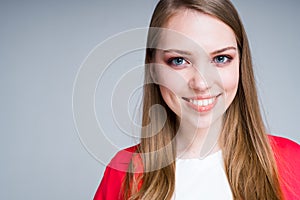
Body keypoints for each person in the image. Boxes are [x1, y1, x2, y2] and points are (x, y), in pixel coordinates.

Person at [94, 0, 300, 199]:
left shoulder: (292, 162)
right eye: (179, 61)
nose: (201, 83)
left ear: (240, 62)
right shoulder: (123, 173)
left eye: (220, 59)